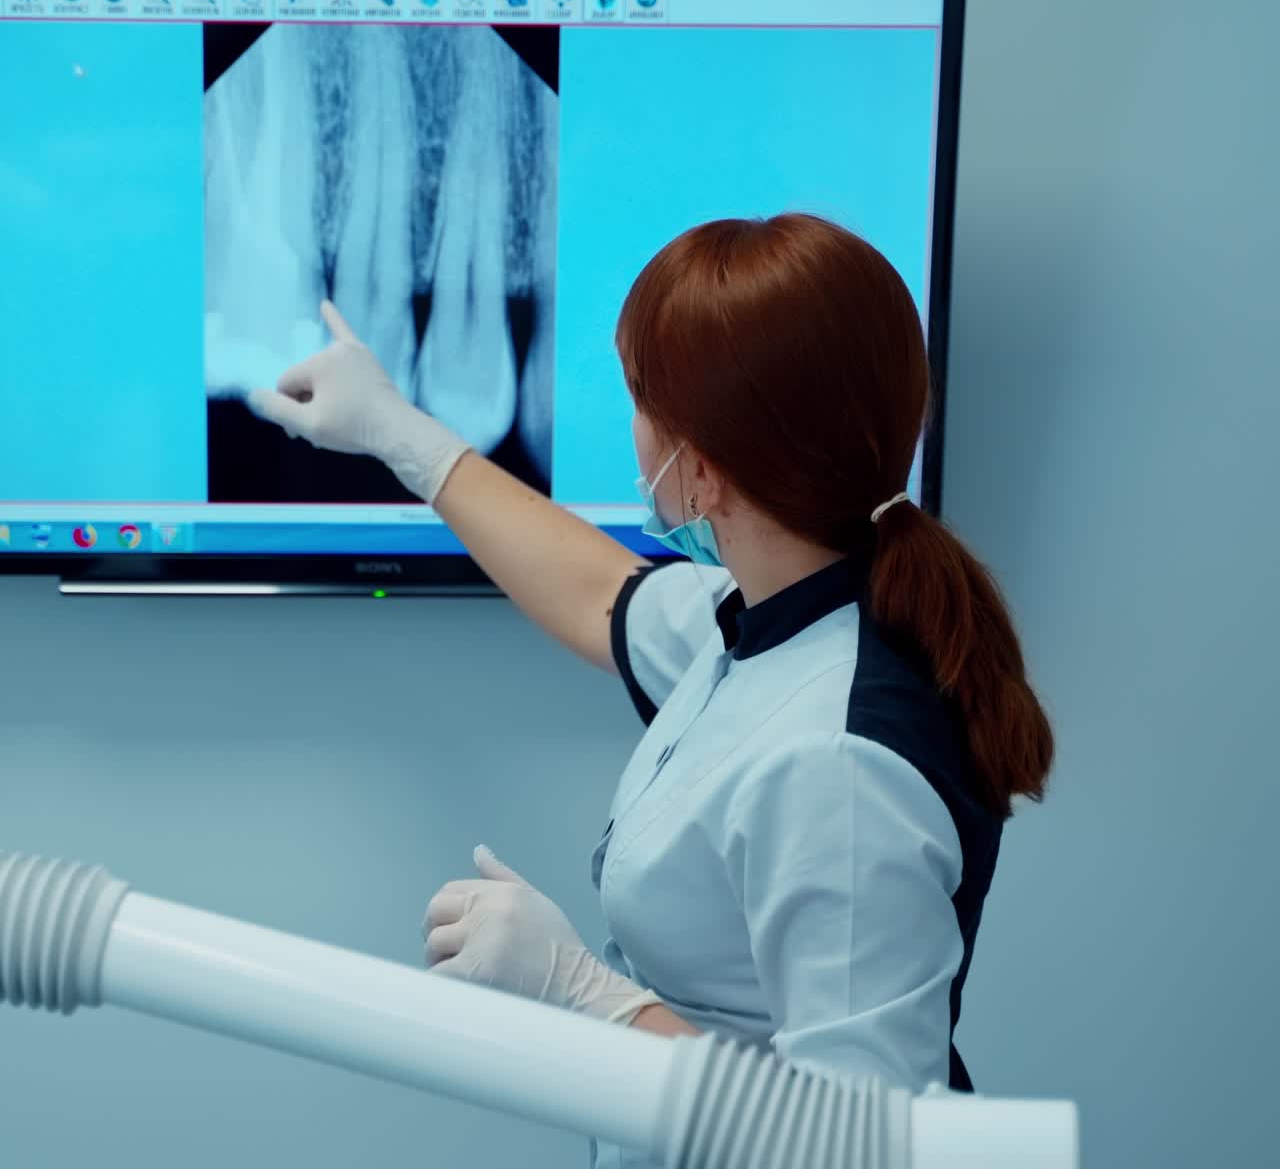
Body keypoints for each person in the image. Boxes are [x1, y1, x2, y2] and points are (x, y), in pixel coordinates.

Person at [250, 214, 1054, 1169]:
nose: (632, 427)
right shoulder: (783, 609)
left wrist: (587, 996)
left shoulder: (838, 766)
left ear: (701, 472)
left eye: (639, 399)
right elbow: (602, 594)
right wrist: (400, 433)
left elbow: (856, 1148)